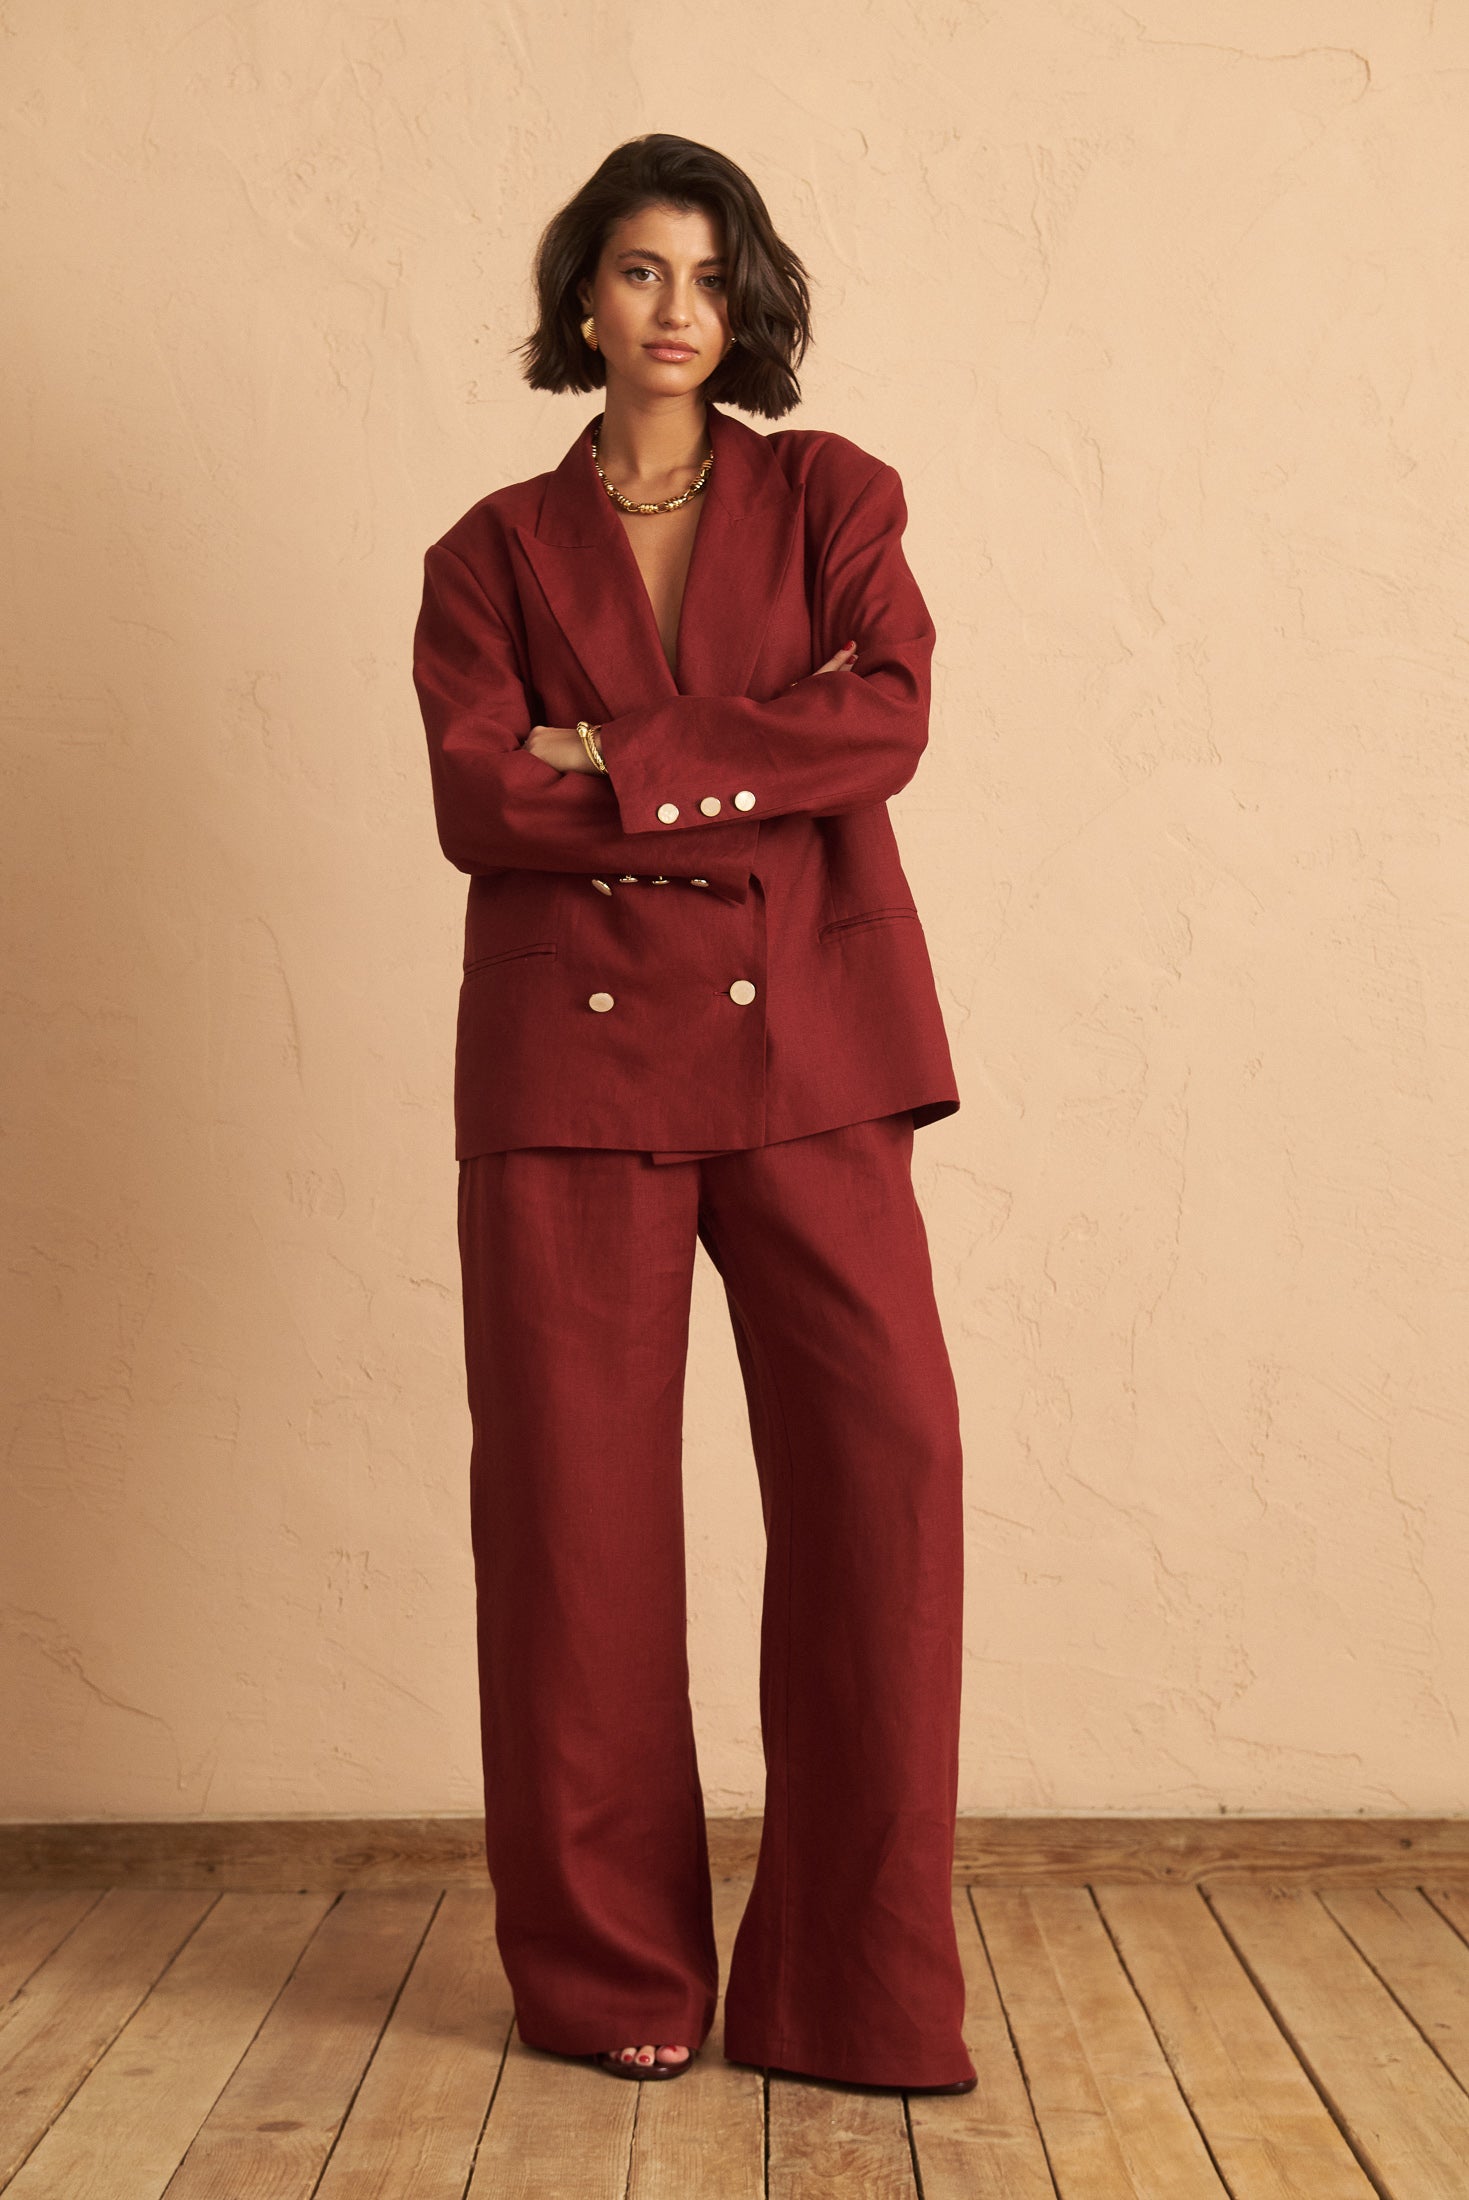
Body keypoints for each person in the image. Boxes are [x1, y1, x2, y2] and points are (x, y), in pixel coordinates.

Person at [411, 132, 977, 2095]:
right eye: (642, 269)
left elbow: (883, 713)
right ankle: (610, 1976)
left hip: (814, 1036)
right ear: (583, 296)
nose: (678, 307)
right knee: (568, 1523)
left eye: (712, 274)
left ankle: (857, 1990)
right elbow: (478, 797)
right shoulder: (488, 550)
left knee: (886, 1480)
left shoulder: (834, 494)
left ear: (750, 304)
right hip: (567, 1068)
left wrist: (613, 752)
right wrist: (738, 760)